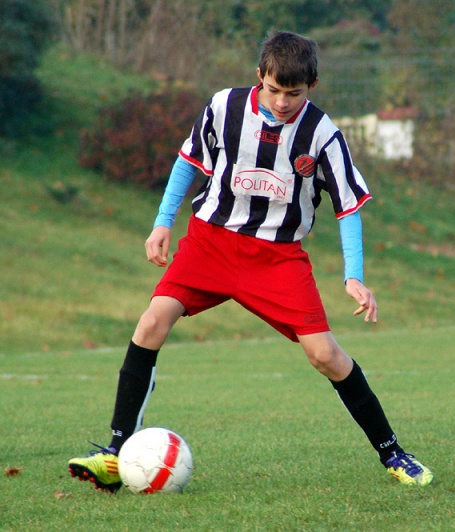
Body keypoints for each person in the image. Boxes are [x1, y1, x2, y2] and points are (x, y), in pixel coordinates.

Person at [68, 31, 433, 492]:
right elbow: (188, 162)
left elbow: (348, 206)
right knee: (151, 324)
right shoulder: (224, 107)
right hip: (210, 243)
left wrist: (353, 276)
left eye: (294, 93)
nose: (282, 102)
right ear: (260, 75)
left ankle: (393, 452)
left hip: (277, 260)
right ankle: (116, 455)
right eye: (274, 89)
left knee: (325, 355)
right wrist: (163, 223)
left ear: (312, 86)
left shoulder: (323, 134)